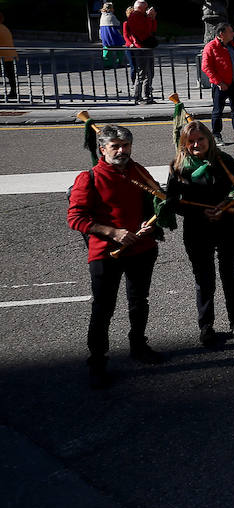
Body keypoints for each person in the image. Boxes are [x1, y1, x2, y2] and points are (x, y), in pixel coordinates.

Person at [67, 124, 166, 388]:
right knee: (103, 308)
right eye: (116, 147)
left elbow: (158, 202)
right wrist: (113, 232)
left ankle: (138, 346)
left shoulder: (138, 171)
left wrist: (151, 223)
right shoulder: (88, 178)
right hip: (106, 252)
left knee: (139, 301)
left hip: (142, 249)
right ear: (102, 149)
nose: (122, 151)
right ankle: (97, 360)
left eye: (126, 146)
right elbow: (76, 218)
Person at [166, 119, 234, 347]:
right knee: (204, 280)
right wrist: (199, 213)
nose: (196, 145)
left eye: (201, 139)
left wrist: (224, 206)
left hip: (228, 227)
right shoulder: (178, 166)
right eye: (191, 141)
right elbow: (173, 201)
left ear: (209, 139)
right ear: (184, 144)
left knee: (231, 277)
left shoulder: (223, 161)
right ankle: (206, 326)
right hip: (197, 229)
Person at [201, 22, 234, 143]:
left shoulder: (232, 45)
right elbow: (206, 66)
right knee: (218, 111)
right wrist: (218, 82)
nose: (233, 33)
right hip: (221, 85)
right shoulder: (211, 47)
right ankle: (216, 134)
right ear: (222, 34)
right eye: (230, 31)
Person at [123, 0, 158, 104]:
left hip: (146, 47)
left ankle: (147, 95)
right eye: (145, 8)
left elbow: (152, 29)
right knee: (142, 73)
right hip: (140, 47)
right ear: (140, 8)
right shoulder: (135, 17)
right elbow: (143, 30)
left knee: (150, 72)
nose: (146, 10)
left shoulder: (143, 17)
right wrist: (148, 18)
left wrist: (152, 18)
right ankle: (138, 96)